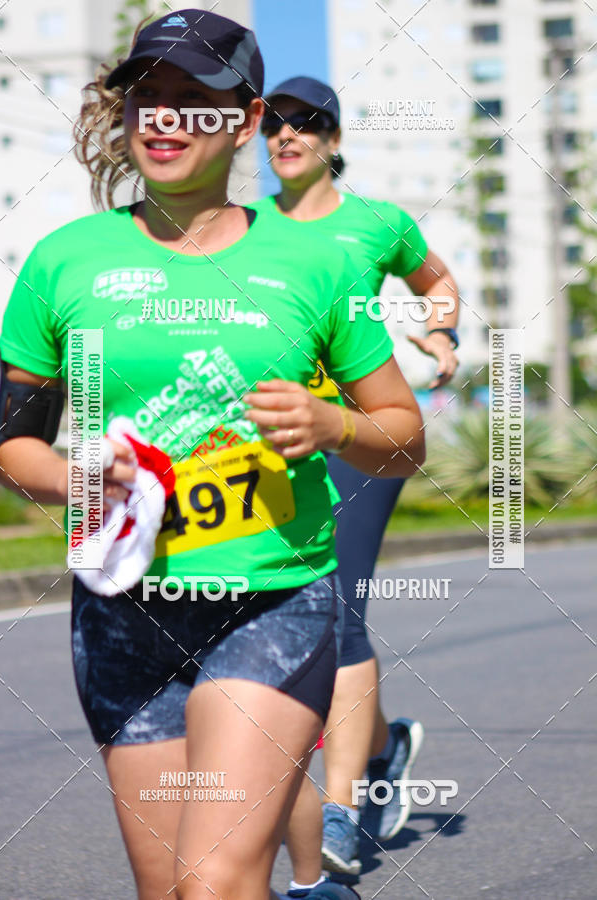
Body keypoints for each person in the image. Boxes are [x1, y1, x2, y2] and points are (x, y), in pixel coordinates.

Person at [0, 12, 425, 900]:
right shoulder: (63, 261)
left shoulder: (314, 264)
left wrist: (333, 424)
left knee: (214, 884)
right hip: (123, 612)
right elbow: (14, 445)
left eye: (194, 100)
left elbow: (403, 436)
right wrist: (85, 474)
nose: (162, 118)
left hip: (268, 604)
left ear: (245, 118)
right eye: (147, 97)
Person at [255, 76, 460, 876]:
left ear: (334, 140)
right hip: (268, 446)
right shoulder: (242, 226)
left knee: (341, 611)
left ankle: (339, 813)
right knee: (285, 618)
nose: (288, 135)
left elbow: (435, 281)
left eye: (306, 124)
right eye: (274, 123)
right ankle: (387, 743)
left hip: (363, 436)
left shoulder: (379, 224)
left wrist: (439, 339)